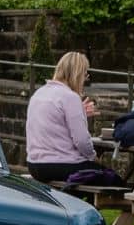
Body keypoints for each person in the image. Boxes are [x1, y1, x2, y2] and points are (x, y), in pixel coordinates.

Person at [26, 51, 102, 183]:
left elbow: (54, 121)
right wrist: (93, 156)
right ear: (77, 74)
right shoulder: (70, 97)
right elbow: (82, 141)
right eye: (85, 75)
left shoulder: (39, 93)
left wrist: (80, 111)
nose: (85, 80)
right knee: (113, 179)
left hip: (34, 164)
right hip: (60, 165)